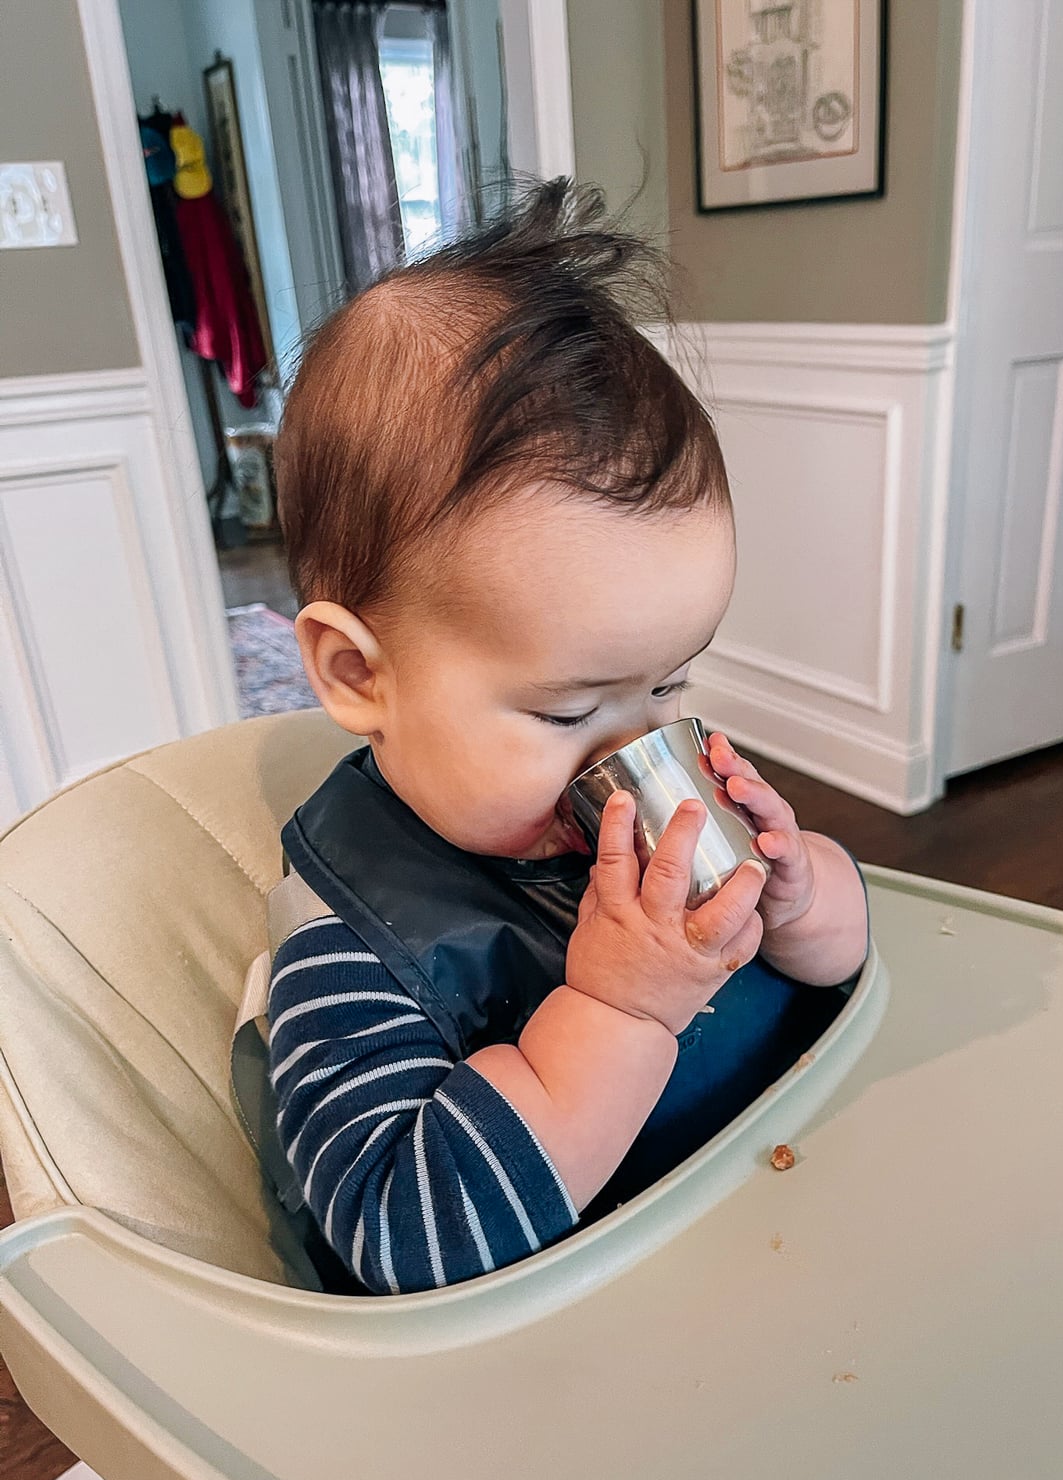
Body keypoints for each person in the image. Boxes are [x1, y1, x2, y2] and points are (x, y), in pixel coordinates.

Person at [264, 180, 869, 1295]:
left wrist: (800, 902)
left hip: (796, 1217)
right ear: (359, 673)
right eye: (565, 713)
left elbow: (847, 967)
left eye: (669, 685)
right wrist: (619, 1009)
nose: (626, 760)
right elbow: (407, 1239)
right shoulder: (353, 949)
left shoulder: (622, 798)